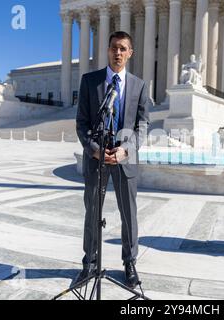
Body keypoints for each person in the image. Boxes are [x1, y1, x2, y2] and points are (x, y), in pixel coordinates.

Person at [75, 31, 151, 288]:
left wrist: (126, 150)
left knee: (128, 213)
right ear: (107, 50)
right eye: (113, 48)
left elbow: (143, 126)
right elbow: (82, 123)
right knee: (92, 212)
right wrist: (94, 149)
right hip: (97, 157)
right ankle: (90, 263)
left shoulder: (139, 86)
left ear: (130, 53)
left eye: (123, 49)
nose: (117, 53)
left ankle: (129, 263)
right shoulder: (90, 81)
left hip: (124, 158)